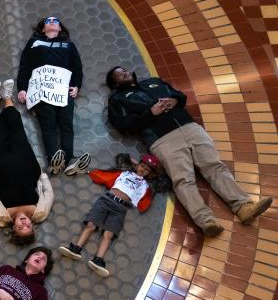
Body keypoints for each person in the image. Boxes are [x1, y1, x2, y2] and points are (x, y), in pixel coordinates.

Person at [105, 66, 272, 237]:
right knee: (183, 179)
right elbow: (125, 126)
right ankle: (206, 222)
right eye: (118, 74)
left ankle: (244, 207)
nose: (123, 73)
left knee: (215, 167)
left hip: (190, 128)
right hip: (163, 140)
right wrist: (150, 113)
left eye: (123, 70)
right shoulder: (117, 99)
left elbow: (180, 95)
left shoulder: (153, 82)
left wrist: (175, 101)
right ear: (115, 83)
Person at [0, 81, 54, 246]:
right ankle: (7, 98)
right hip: (26, 163)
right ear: (33, 227)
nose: (24, 223)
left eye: (21, 227)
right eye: (28, 227)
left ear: (13, 229)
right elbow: (49, 193)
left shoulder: (0, 218)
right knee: (17, 131)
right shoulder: (40, 213)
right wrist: (42, 174)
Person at [59, 153, 167, 277]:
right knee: (91, 225)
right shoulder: (125, 172)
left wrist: (153, 173)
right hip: (106, 199)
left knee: (108, 234)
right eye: (142, 166)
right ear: (138, 164)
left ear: (150, 173)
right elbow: (121, 157)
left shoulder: (146, 185)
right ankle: (76, 249)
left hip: (121, 208)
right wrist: (136, 164)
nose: (143, 170)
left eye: (147, 169)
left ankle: (98, 260)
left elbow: (165, 182)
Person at [16, 16, 89, 176]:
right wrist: (22, 88)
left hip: (63, 89)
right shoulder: (34, 42)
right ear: (43, 29)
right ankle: (53, 160)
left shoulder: (68, 44)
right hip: (42, 89)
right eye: (47, 21)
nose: (51, 22)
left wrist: (76, 85)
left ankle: (70, 159)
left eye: (55, 21)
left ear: (60, 28)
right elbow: (25, 66)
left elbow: (77, 66)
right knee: (48, 123)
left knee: (66, 123)